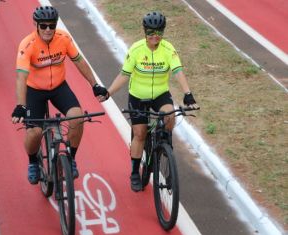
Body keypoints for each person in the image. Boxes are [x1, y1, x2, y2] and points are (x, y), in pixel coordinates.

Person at [101, 11, 199, 192]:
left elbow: (178, 71)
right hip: (138, 96)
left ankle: (165, 148)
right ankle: (134, 172)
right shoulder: (136, 50)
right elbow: (124, 75)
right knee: (140, 133)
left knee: (170, 117)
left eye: (159, 32)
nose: (155, 36)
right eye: (151, 32)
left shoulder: (168, 49)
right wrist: (108, 93)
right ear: (145, 31)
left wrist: (188, 94)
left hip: (160, 94)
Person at [11, 6, 108, 185]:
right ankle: (33, 162)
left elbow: (79, 61)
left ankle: (71, 158)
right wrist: (20, 106)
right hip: (34, 91)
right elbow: (21, 77)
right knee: (34, 132)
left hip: (58, 87)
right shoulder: (27, 45)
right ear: (36, 25)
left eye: (52, 25)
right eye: (44, 25)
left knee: (77, 118)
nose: (48, 29)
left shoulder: (63, 38)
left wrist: (95, 85)